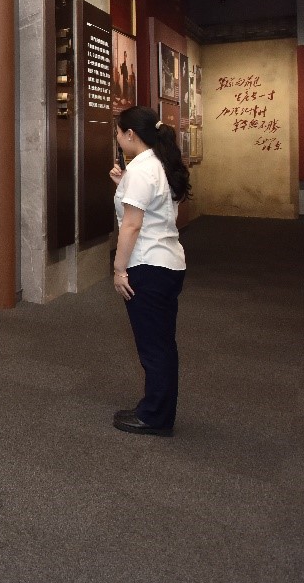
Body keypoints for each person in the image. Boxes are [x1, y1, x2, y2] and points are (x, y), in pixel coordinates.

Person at [110, 105, 190, 437]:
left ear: (131, 134)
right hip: (168, 262)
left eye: (119, 132)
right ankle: (155, 408)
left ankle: (155, 416)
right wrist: (123, 182)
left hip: (147, 265)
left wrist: (119, 269)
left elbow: (132, 225)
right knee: (161, 343)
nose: (117, 138)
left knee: (154, 347)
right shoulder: (159, 163)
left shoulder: (142, 170)